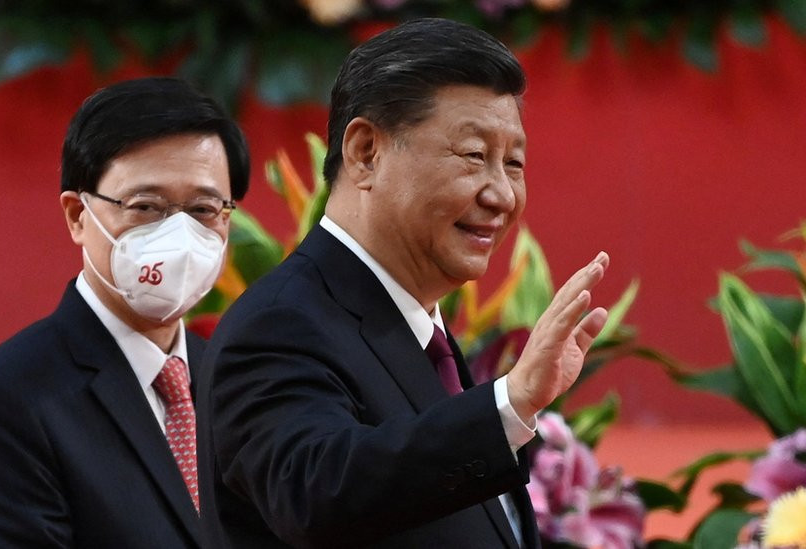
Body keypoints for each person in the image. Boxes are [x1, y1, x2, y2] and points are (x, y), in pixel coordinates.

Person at [196, 18, 610, 548]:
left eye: (514, 163)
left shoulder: (420, 332)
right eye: (474, 157)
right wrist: (509, 403)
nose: (502, 195)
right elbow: (316, 495)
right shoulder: (281, 324)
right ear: (366, 151)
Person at [0, 77, 249, 548]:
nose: (178, 235)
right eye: (146, 206)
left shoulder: (242, 384)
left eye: (203, 209)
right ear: (78, 216)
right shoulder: (0, 402)